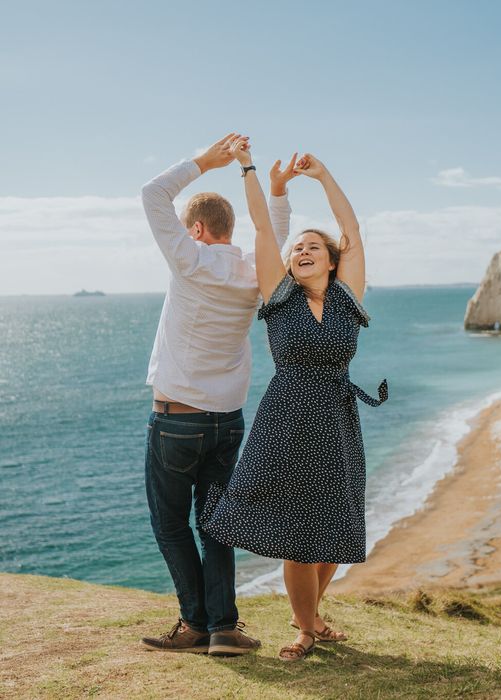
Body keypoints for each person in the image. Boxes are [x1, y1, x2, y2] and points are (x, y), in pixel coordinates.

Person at [202, 138, 387, 662]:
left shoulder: (349, 300)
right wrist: (248, 168)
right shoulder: (279, 298)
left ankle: (311, 614)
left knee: (334, 528)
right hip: (285, 420)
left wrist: (324, 176)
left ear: (331, 261)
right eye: (297, 249)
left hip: (337, 419)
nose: (302, 251)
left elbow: (352, 232)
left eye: (313, 247)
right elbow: (263, 227)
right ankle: (306, 631)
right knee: (296, 533)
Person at [139, 134, 297, 656]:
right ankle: (224, 627)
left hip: (177, 420)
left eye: (188, 229)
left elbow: (151, 193)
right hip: (227, 422)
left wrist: (203, 163)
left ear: (198, 229)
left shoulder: (190, 259)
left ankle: (195, 623)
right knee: (217, 524)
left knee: (169, 524)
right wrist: (274, 191)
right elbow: (275, 235)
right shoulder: (254, 273)